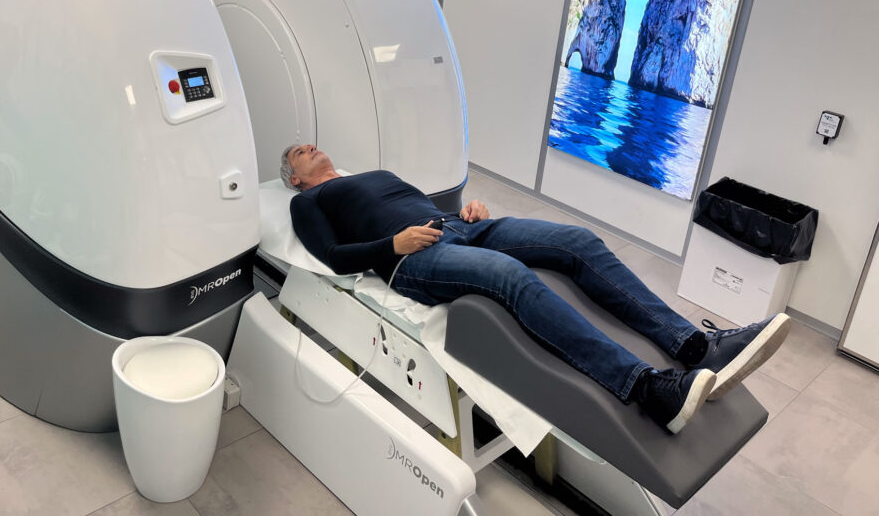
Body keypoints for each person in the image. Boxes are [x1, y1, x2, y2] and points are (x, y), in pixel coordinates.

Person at [280, 143, 790, 435]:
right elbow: (333, 256)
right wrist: (392, 245)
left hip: (456, 226)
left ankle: (697, 346)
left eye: (310, 144)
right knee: (510, 276)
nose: (311, 149)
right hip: (411, 259)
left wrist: (464, 210)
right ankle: (650, 389)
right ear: (295, 179)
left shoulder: (372, 172)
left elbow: (418, 205)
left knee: (578, 242)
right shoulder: (306, 203)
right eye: (299, 153)